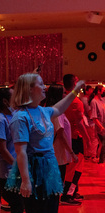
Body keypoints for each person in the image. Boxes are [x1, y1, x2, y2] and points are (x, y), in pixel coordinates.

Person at [5, 73, 84, 213]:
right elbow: (21, 151)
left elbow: (60, 108)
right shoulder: (20, 117)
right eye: (40, 84)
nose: (44, 87)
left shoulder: (42, 110)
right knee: (38, 209)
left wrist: (75, 90)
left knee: (52, 207)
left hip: (49, 167)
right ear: (29, 89)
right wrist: (25, 180)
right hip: (34, 169)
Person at [0, 88, 24, 213]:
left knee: (19, 205)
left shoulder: (13, 115)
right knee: (17, 204)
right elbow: (2, 149)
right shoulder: (0, 119)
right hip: (6, 171)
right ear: (5, 101)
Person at [61, 74, 90, 205]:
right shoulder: (75, 102)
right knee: (75, 167)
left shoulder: (63, 98)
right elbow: (79, 123)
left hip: (67, 137)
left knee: (72, 166)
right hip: (74, 137)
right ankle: (67, 194)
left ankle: (72, 191)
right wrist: (88, 139)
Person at [45, 85, 78, 185]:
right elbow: (60, 134)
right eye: (64, 93)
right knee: (57, 184)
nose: (66, 95)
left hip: (53, 151)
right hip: (57, 153)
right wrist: (72, 153)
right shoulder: (57, 112)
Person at [80, 85, 99, 162]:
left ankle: (87, 154)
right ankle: (92, 155)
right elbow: (89, 112)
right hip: (89, 122)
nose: (92, 91)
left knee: (86, 138)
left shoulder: (82, 99)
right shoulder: (86, 100)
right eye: (90, 90)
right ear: (87, 91)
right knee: (94, 139)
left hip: (85, 122)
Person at [89, 85, 105, 163]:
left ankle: (101, 160)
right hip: (99, 126)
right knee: (102, 143)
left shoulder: (101, 100)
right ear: (98, 91)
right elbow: (94, 117)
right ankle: (99, 159)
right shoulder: (94, 101)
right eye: (103, 90)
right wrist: (101, 127)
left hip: (103, 125)